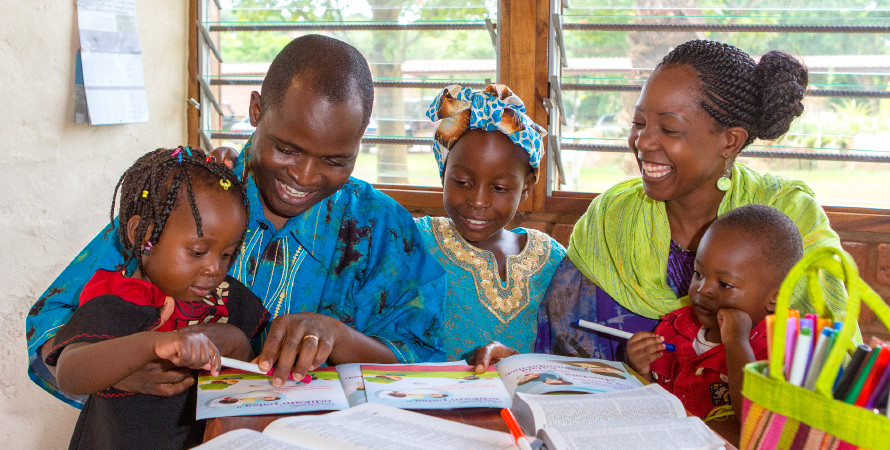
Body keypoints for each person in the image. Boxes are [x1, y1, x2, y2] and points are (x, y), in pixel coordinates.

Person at [26, 34, 446, 408]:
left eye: (336, 160)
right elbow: (51, 320)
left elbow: (423, 358)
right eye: (286, 148)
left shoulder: (382, 228)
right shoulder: (189, 196)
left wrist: (342, 337)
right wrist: (122, 365)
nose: (303, 176)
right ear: (256, 110)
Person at [534, 39, 847, 361]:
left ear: (730, 140)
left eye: (669, 129)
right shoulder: (612, 216)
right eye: (638, 123)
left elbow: (826, 358)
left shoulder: (789, 218)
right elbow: (564, 344)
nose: (642, 142)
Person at [44, 147, 269, 449]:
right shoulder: (115, 300)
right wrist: (156, 343)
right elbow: (70, 374)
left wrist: (231, 340)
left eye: (227, 254)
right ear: (144, 234)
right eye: (197, 252)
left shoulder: (227, 297)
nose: (215, 268)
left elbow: (251, 368)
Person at [625, 204, 804, 443]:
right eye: (699, 274)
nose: (702, 289)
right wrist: (640, 369)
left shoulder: (780, 346)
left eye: (724, 284)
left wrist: (737, 343)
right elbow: (654, 402)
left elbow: (756, 424)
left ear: (775, 297)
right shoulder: (675, 327)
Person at [415, 84, 565, 362]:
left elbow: (566, 349)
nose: (478, 201)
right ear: (443, 173)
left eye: (499, 188)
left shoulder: (551, 259)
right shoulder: (417, 242)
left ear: (526, 188)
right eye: (462, 182)